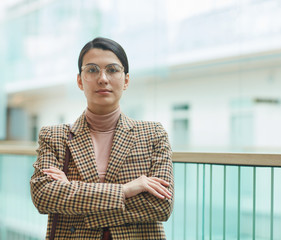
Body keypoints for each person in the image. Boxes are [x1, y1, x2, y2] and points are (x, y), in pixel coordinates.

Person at [30, 37, 174, 239]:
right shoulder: (54, 137)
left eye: (113, 70)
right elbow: (44, 197)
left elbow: (160, 206)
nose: (103, 78)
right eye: (92, 70)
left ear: (126, 80)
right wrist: (126, 190)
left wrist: (71, 193)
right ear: (80, 80)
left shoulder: (152, 134)